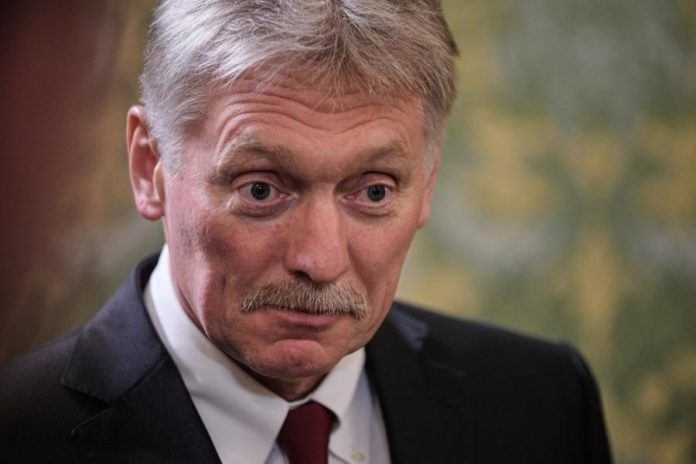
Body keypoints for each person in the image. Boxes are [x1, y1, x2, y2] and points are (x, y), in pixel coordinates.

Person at [0, 1, 612, 462]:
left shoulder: (543, 404)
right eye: (261, 189)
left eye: (374, 191)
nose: (318, 260)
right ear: (149, 166)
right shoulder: (19, 432)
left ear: (426, 185)